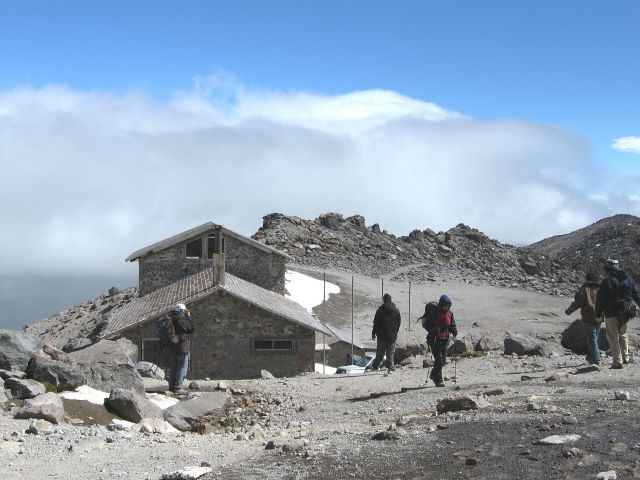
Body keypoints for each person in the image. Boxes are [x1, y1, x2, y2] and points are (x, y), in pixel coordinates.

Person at [595, 259, 640, 369]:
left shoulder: (607, 281)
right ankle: (626, 358)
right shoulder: (628, 280)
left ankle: (617, 361)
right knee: (623, 334)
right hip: (626, 313)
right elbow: (637, 295)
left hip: (611, 312)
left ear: (608, 269)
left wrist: (598, 313)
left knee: (613, 337)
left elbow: (600, 299)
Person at [565, 272, 602, 365]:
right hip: (600, 316)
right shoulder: (601, 289)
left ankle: (596, 359)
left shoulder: (584, 289)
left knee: (591, 337)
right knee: (595, 337)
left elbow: (577, 302)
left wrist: (569, 311)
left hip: (588, 316)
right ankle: (590, 357)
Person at [425, 295, 458, 387]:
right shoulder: (434, 312)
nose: (447, 307)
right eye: (445, 305)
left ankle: (433, 374)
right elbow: (426, 324)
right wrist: (433, 330)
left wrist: (454, 330)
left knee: (443, 361)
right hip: (434, 339)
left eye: (448, 305)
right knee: (439, 361)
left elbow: (452, 324)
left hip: (445, 339)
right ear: (441, 304)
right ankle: (438, 380)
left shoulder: (450, 313)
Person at [163, 303, 194, 392]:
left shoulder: (170, 319)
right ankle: (178, 388)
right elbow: (191, 328)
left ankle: (171, 386)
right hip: (182, 347)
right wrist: (188, 317)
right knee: (182, 367)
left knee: (173, 367)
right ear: (182, 311)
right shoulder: (181, 320)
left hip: (173, 347)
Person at [369, 293, 401, 373]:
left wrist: (373, 333)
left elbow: (376, 323)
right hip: (392, 336)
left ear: (383, 300)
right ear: (391, 299)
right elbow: (398, 323)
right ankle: (391, 368)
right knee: (390, 352)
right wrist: (395, 332)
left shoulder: (380, 311)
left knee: (380, 353)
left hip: (381, 336)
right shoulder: (396, 311)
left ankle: (375, 366)